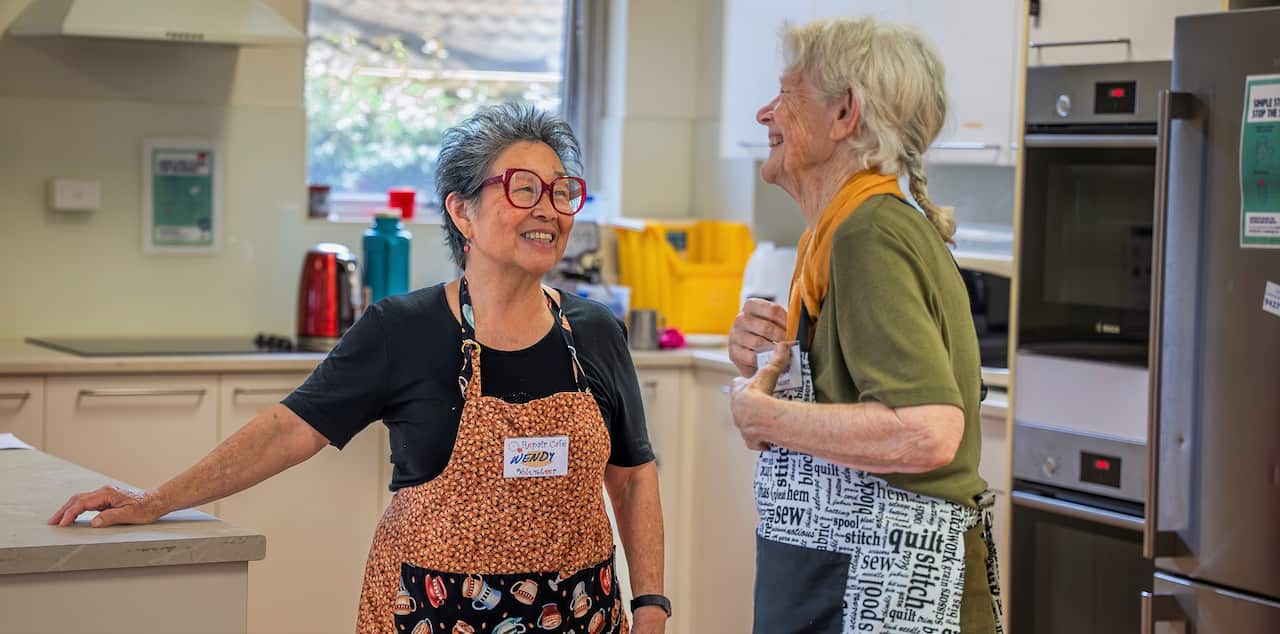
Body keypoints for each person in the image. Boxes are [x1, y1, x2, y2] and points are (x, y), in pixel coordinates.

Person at [49, 103, 668, 634]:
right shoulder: (403, 330)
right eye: (523, 189)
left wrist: (650, 606)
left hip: (582, 614)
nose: (549, 209)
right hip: (430, 614)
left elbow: (634, 477)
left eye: (561, 192)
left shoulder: (594, 332)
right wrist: (156, 499)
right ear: (462, 212)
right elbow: (289, 431)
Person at [726, 16, 1003, 634]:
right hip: (843, 577)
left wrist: (764, 416)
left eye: (786, 94)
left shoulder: (868, 233)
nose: (764, 113)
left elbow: (926, 431)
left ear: (845, 112)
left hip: (886, 585)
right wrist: (773, 360)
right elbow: (854, 398)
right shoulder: (834, 235)